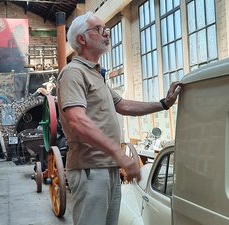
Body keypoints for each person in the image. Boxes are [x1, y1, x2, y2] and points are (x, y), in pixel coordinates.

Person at [57, 11, 181, 225]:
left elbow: (123, 105)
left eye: (106, 28)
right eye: (98, 29)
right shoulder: (73, 73)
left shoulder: (96, 74)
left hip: (108, 168)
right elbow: (77, 121)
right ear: (81, 39)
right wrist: (119, 154)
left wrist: (163, 104)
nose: (107, 33)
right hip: (90, 169)